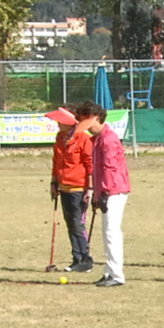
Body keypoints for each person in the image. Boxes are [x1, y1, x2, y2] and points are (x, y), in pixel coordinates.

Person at [88, 104, 132, 287]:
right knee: (107, 232)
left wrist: (104, 192)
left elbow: (111, 169)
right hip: (106, 190)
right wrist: (96, 192)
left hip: (114, 190)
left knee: (112, 232)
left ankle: (116, 275)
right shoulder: (98, 139)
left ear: (97, 118)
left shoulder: (108, 140)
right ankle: (109, 271)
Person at [47, 104, 95, 274]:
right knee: (70, 225)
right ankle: (76, 258)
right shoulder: (60, 137)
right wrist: (54, 182)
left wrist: (90, 188)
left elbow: (90, 165)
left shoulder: (84, 139)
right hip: (63, 187)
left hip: (79, 189)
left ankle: (85, 259)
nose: (58, 125)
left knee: (78, 224)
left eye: (61, 121)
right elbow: (56, 161)